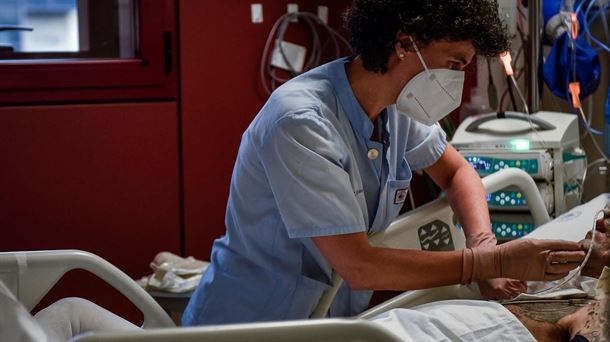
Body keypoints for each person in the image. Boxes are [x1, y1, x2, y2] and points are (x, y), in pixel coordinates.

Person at [181, 0, 586, 326]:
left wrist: (484, 244)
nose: (457, 82)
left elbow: (457, 171)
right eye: (455, 64)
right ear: (405, 45)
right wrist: (488, 263)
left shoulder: (396, 110)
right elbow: (358, 264)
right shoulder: (301, 123)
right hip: (249, 325)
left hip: (330, 321)